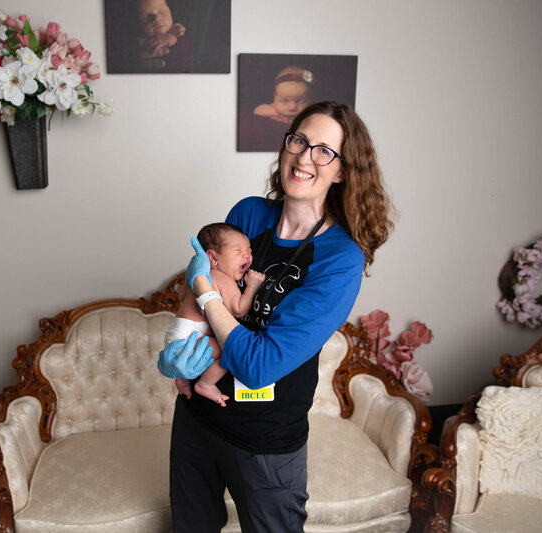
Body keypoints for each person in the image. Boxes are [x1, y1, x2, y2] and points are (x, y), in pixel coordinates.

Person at [158, 101, 394, 532]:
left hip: (265, 443)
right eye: (299, 141)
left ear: (342, 171)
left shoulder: (340, 258)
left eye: (325, 150)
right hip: (196, 417)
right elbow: (200, 291)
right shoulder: (249, 214)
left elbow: (259, 365)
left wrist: (205, 293)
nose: (305, 157)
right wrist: (183, 341)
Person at [165, 223, 266, 407]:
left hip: (179, 335)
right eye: (238, 251)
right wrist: (252, 286)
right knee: (230, 351)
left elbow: (181, 296)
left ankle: (182, 379)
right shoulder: (221, 278)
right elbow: (239, 309)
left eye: (249, 250)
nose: (248, 256)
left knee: (200, 354)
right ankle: (206, 384)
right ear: (213, 257)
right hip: (191, 339)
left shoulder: (195, 277)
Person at [135, 0, 194, 72]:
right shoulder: (138, 43)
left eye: (162, 11)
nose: (156, 18)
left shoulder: (177, 32)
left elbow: (188, 62)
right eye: (144, 17)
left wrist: (172, 39)